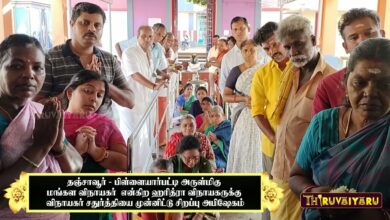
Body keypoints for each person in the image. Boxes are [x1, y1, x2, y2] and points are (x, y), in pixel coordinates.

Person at [290, 38, 390, 219]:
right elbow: (296, 176)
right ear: (345, 84)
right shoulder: (323, 124)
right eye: (360, 83)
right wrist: (312, 194)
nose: (370, 93)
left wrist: (378, 214)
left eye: (385, 85)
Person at [0, 34, 82, 219]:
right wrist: (40, 148)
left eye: (38, 68)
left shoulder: (41, 112)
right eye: (17, 66)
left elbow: (76, 168)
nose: (29, 74)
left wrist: (58, 146)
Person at [271, 15, 335, 220]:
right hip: (280, 169)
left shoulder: (330, 80)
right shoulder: (290, 75)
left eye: (299, 44)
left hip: (305, 178)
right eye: (288, 47)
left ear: (314, 40)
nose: (293, 52)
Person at [36, 2, 134, 118]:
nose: (92, 29)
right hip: (64, 134)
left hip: (105, 132)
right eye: (85, 23)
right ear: (72, 24)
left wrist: (102, 83)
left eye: (97, 25)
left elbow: (130, 102)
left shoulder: (109, 60)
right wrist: (77, 86)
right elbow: (36, 105)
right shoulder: (50, 58)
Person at [63, 70, 127, 220]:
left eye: (99, 95)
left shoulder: (105, 124)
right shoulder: (55, 123)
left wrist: (96, 151)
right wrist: (75, 152)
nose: (94, 99)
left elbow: (125, 163)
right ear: (70, 93)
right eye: (88, 91)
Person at [312, 8, 385, 116]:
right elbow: (319, 129)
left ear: (382, 35)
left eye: (369, 34)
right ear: (345, 46)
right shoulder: (329, 85)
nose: (362, 41)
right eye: (354, 37)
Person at [251, 22, 292, 176]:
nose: (273, 51)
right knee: (273, 192)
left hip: (301, 143)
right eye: (267, 48)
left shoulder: (301, 68)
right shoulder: (262, 75)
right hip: (272, 144)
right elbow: (257, 111)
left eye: (276, 44)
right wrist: (275, 140)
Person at [222, 39, 262, 174]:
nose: (249, 53)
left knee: (259, 150)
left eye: (252, 50)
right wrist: (243, 98)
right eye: (245, 50)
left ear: (258, 52)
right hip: (244, 116)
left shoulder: (264, 69)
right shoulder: (236, 71)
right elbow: (225, 95)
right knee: (243, 148)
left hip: (262, 116)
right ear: (241, 52)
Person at [219, 17, 268, 95]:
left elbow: (269, 74)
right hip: (238, 104)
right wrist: (235, 102)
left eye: (242, 28)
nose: (238, 32)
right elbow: (223, 84)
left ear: (248, 29)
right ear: (232, 31)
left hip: (261, 100)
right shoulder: (228, 57)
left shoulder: (262, 51)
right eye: (235, 29)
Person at [206, 106, 232, 171]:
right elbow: (205, 147)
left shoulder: (229, 126)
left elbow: (231, 148)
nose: (214, 118)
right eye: (212, 116)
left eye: (217, 116)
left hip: (222, 158)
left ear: (223, 116)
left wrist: (217, 141)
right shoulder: (209, 129)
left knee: (212, 164)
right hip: (211, 155)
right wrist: (208, 141)